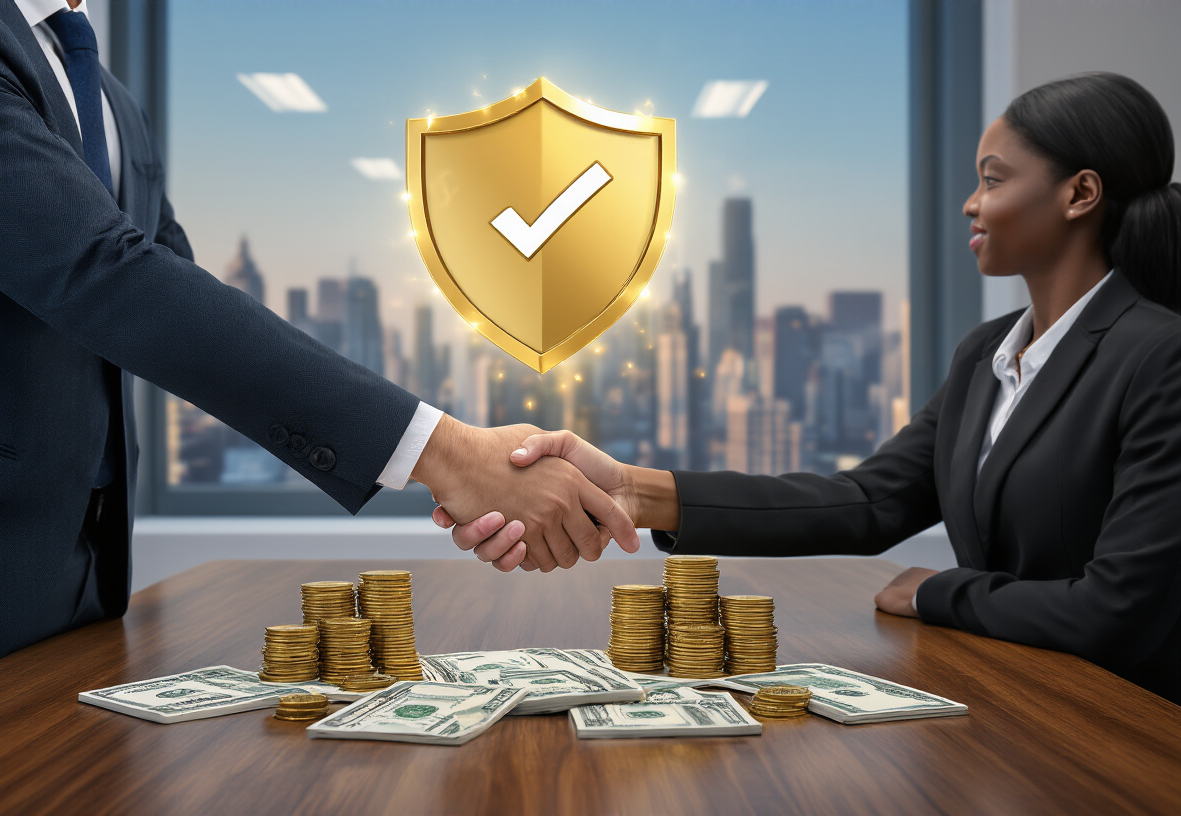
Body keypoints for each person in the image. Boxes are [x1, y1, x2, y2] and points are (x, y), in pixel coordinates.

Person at [0, 0, 636, 694]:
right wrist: (444, 452)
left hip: (84, 562)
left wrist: (458, 453)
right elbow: (106, 276)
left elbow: (175, 292)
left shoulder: (108, 97)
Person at [438, 72, 1181, 703]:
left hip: (1127, 725)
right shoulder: (987, 354)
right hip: (1013, 705)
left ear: (1080, 194)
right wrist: (632, 490)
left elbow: (1117, 611)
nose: (970, 204)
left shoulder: (1160, 358)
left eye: (993, 180)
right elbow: (869, 503)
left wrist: (935, 592)